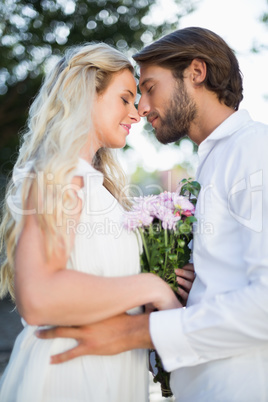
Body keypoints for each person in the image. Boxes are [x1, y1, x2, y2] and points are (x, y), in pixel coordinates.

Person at [37, 27, 268, 401]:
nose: (142, 109)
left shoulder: (255, 150)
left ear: (196, 72)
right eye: (133, 95)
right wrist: (198, 285)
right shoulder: (214, 162)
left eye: (149, 88)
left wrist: (135, 332)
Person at [0, 42, 187, 402]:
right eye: (125, 98)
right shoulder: (59, 176)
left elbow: (99, 285)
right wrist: (151, 287)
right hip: (73, 378)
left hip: (108, 369)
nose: (136, 114)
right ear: (87, 94)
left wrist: (170, 276)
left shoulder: (94, 186)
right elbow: (37, 297)